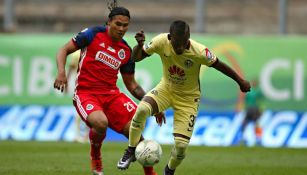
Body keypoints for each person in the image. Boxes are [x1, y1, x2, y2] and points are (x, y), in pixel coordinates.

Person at [117, 20, 251, 175]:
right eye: (176, 44)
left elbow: (220, 65)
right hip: (166, 89)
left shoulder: (199, 51)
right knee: (141, 110)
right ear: (170, 37)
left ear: (188, 38)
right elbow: (135, 58)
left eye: (183, 43)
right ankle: (131, 150)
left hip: (188, 99)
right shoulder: (161, 41)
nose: (180, 47)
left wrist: (240, 81)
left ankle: (169, 170)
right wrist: (140, 46)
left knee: (180, 147)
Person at [53, 6, 164, 175]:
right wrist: (61, 73)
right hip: (86, 93)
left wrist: (153, 105)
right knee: (100, 123)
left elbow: (132, 85)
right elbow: (64, 50)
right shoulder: (92, 34)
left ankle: (149, 172)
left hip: (111, 94)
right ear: (109, 22)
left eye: (125, 25)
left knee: (135, 126)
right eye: (118, 24)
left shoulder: (126, 50)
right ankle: (95, 157)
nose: (121, 28)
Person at [66, 50, 89, 143]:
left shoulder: (95, 49)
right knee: (80, 111)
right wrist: (66, 82)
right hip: (81, 85)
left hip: (92, 86)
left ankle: (85, 136)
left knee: (88, 112)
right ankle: (78, 135)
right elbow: (71, 68)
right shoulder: (76, 54)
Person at [241, 79, 264, 145]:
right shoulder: (249, 92)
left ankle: (258, 139)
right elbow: (245, 101)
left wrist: (261, 109)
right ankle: (243, 138)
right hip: (249, 109)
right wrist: (244, 109)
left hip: (254, 109)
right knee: (245, 124)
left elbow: (261, 101)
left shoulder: (258, 91)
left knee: (256, 124)